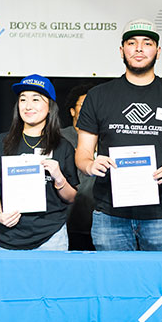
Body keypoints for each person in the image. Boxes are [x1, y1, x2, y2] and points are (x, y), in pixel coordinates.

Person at [75, 18, 162, 251]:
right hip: (110, 213)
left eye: (147, 43)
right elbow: (82, 152)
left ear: (158, 51)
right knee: (113, 275)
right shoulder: (98, 96)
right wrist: (90, 165)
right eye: (132, 43)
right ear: (121, 50)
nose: (139, 49)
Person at [0, 74, 78, 250]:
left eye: (36, 99)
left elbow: (71, 197)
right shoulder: (0, 143)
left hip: (51, 237)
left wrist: (59, 177)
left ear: (50, 107)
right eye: (23, 99)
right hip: (9, 236)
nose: (28, 106)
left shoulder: (62, 146)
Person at [61, 84, 95, 250]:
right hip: (69, 221)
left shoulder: (107, 138)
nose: (88, 109)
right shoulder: (59, 138)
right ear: (72, 111)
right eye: (83, 105)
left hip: (101, 222)